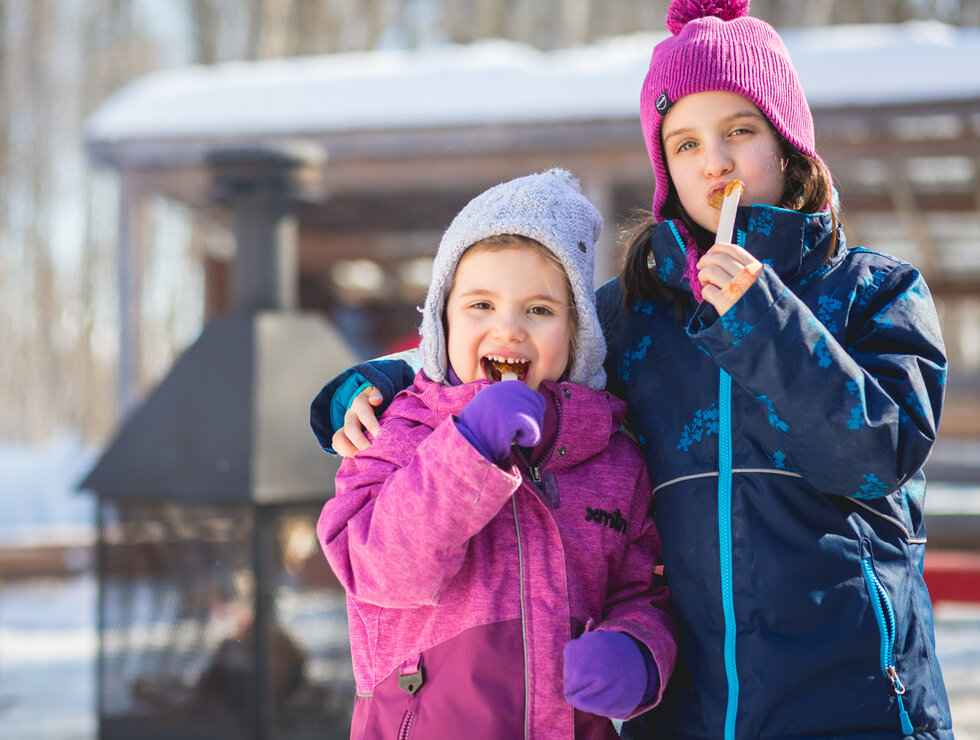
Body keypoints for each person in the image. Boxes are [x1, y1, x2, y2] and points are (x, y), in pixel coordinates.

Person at [316, 1, 955, 737]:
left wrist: (762, 319)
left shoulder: (877, 293)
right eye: (683, 144)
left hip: (851, 700)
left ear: (788, 146)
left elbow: (875, 457)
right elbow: (523, 341)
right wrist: (385, 380)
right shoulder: (633, 316)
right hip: (687, 710)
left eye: (739, 131)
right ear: (665, 170)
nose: (712, 160)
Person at [312, 168, 677, 739]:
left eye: (539, 310)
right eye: (481, 305)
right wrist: (467, 449)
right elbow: (382, 571)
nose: (508, 329)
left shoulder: (612, 459)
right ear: (442, 320)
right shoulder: (396, 432)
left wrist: (638, 651)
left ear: (578, 333)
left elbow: (642, 589)